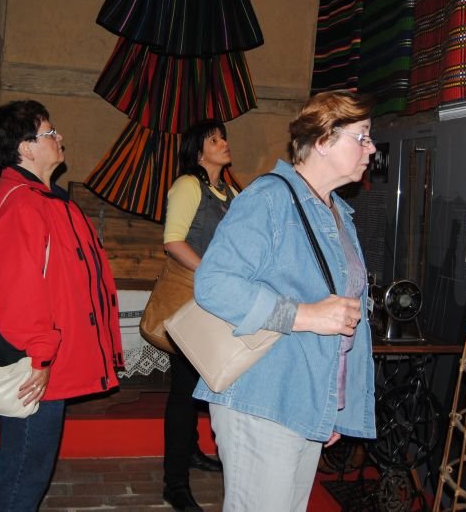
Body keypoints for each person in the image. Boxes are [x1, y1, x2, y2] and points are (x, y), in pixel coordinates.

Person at [193, 90, 377, 511]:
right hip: (264, 396)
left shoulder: (336, 211)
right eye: (362, 137)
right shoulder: (270, 199)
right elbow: (214, 283)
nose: (371, 149)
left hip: (307, 395)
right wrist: (305, 315)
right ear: (325, 140)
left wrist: (333, 404)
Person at [0, 100, 124, 511]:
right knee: (25, 471)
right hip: (34, 367)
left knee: (30, 466)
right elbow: (18, 291)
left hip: (48, 360)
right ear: (26, 148)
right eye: (50, 132)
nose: (60, 137)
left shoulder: (46, 199)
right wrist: (39, 355)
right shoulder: (23, 204)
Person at [161, 120, 234, 511]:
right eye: (214, 139)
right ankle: (174, 484)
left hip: (218, 304)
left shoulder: (230, 192)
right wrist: (211, 274)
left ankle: (190, 452)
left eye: (223, 138)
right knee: (184, 389)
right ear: (198, 150)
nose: (223, 143)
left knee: (196, 387)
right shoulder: (188, 185)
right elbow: (173, 241)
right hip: (190, 301)